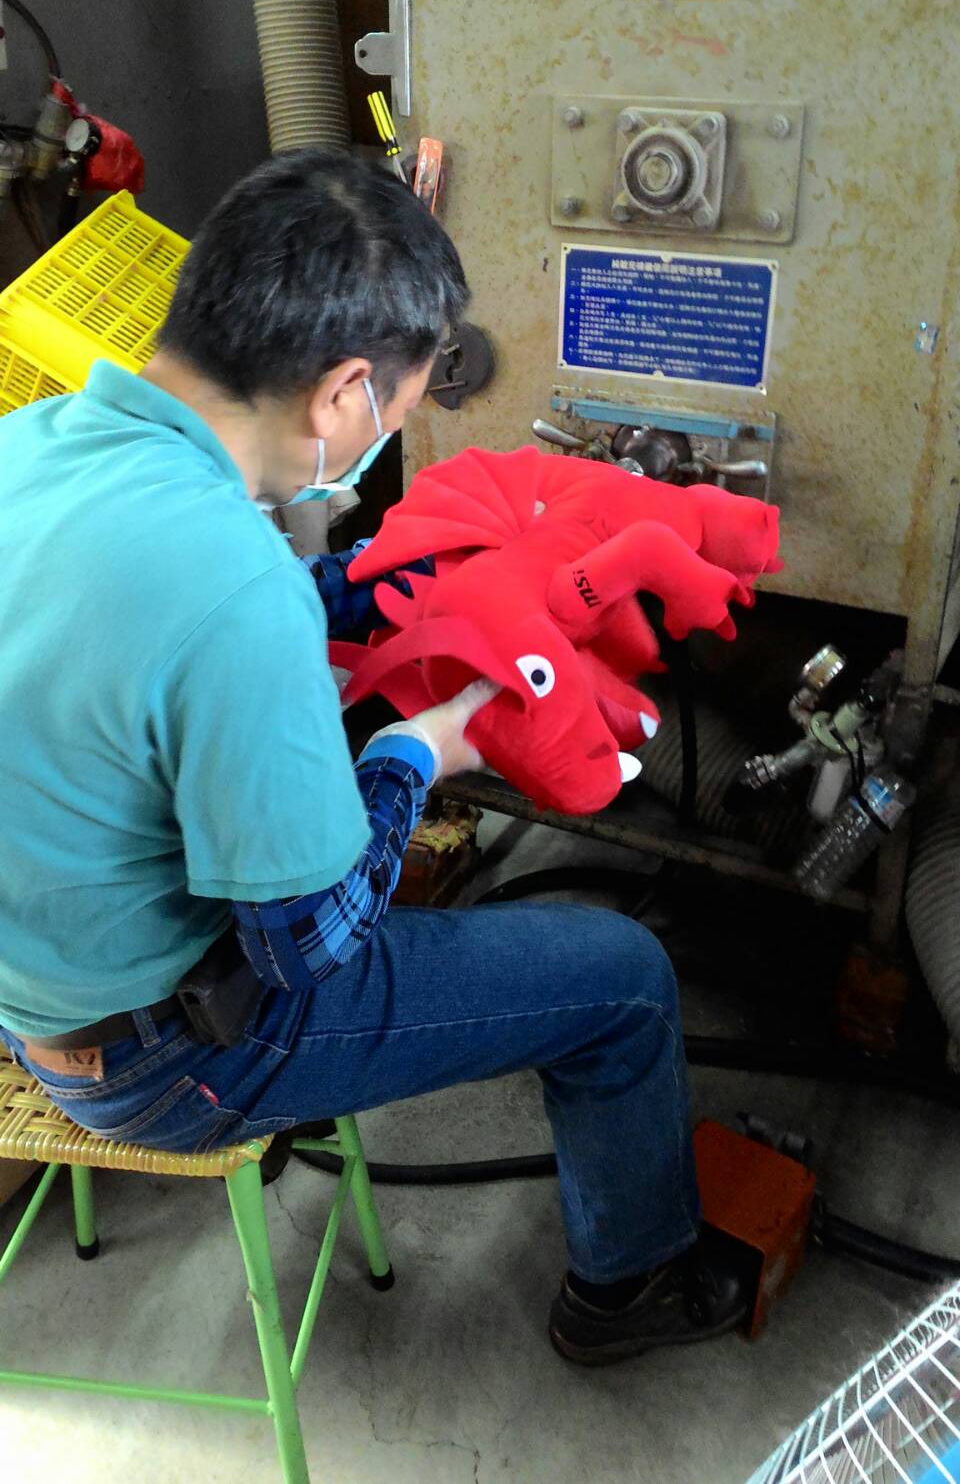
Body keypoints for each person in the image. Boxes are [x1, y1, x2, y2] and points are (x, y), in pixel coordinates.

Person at [0, 149, 745, 1363]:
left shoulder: (30, 443)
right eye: (399, 408)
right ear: (345, 391)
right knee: (622, 977)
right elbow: (307, 945)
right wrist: (412, 753)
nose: (386, 434)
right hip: (171, 1052)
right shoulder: (236, 589)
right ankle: (632, 1286)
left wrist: (347, 585)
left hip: (33, 980)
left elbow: (137, 634)